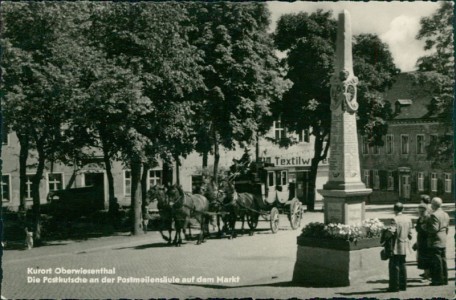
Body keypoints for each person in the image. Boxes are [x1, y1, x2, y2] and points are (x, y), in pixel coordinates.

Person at [423, 197, 449, 286]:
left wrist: (425, 227)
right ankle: (445, 278)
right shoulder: (445, 214)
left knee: (436, 261)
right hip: (443, 239)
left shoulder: (434, 215)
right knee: (443, 260)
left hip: (435, 240)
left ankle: (437, 280)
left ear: (433, 205)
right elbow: (447, 228)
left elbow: (434, 228)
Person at [388, 202, 413, 292]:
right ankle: (403, 285)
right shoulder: (408, 219)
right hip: (405, 244)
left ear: (394, 210)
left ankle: (394, 286)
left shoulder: (394, 219)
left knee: (394, 265)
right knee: (403, 264)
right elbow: (410, 233)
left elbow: (391, 232)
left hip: (396, 245)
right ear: (403, 209)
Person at [414, 203, 431, 280]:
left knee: (426, 257)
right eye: (419, 211)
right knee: (421, 257)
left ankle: (428, 275)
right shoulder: (419, 219)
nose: (420, 212)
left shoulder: (428, 218)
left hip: (426, 240)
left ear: (426, 210)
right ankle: (425, 273)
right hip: (420, 239)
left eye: (422, 211)